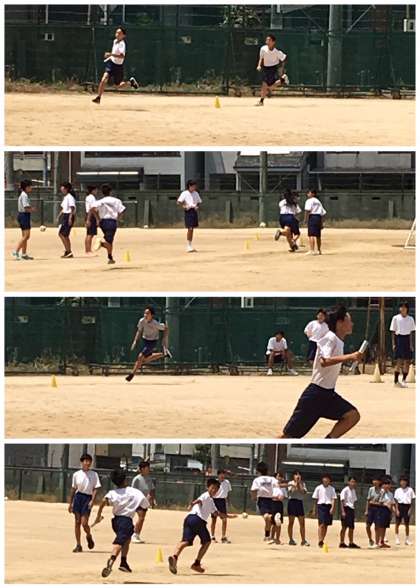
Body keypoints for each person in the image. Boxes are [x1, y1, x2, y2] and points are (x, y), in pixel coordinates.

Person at [281, 305, 363, 438]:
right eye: (349, 320)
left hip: (328, 395)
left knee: (352, 416)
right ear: (340, 323)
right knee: (288, 437)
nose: (352, 324)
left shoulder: (338, 341)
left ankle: (327, 442)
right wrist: (350, 356)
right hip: (315, 395)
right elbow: (324, 361)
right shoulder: (330, 337)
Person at [93, 468, 150, 577]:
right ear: (125, 480)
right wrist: (140, 510)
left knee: (126, 539)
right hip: (126, 521)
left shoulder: (112, 493)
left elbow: (104, 501)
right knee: (119, 542)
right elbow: (145, 505)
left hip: (116, 521)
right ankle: (111, 560)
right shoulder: (134, 492)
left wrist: (98, 515)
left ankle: (124, 562)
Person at [168, 478, 225, 575]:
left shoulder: (211, 501)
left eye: (216, 489)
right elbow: (199, 500)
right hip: (198, 520)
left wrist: (228, 516)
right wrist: (192, 504)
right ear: (208, 487)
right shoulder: (206, 496)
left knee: (185, 541)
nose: (214, 490)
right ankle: (196, 564)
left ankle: (174, 557)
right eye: (212, 488)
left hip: (189, 519)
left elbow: (216, 513)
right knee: (207, 542)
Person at [92, 27, 139, 104]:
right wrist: (110, 56)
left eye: (119, 33)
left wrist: (111, 54)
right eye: (116, 33)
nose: (117, 34)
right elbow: (114, 53)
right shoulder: (115, 41)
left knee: (117, 86)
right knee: (103, 79)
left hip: (118, 67)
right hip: (111, 64)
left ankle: (131, 83)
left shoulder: (122, 44)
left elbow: (122, 56)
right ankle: (98, 98)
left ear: (123, 35)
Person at [125, 306, 172, 382]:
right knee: (144, 360)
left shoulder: (155, 323)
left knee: (140, 357)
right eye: (145, 313)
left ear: (152, 315)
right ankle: (163, 354)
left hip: (152, 342)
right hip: (145, 340)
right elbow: (139, 331)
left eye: (147, 313)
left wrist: (164, 339)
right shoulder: (141, 321)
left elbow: (166, 328)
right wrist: (135, 341)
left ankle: (132, 374)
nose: (145, 315)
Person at [68, 453, 101, 553]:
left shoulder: (94, 474)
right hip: (78, 497)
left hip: (87, 498)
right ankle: (78, 544)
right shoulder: (76, 474)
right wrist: (70, 503)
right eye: (85, 461)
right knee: (77, 522)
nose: (87, 463)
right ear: (81, 462)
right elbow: (73, 488)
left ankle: (88, 535)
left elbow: (96, 488)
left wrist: (92, 501)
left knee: (84, 523)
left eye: (89, 461)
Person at [91, 184, 126, 264]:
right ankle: (101, 243)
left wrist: (97, 218)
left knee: (110, 240)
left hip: (103, 221)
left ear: (102, 192)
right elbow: (122, 210)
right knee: (108, 241)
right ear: (110, 192)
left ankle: (110, 257)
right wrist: (119, 219)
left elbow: (92, 209)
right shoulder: (116, 201)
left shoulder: (100, 201)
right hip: (111, 221)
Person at [256, 34, 288, 106]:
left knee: (266, 85)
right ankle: (282, 80)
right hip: (265, 68)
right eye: (267, 40)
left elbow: (284, 59)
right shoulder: (263, 49)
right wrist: (259, 65)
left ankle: (261, 101)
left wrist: (282, 68)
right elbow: (261, 58)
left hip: (273, 68)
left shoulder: (277, 52)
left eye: (269, 40)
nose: (267, 41)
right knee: (267, 86)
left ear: (273, 42)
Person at [389, 302, 416, 388]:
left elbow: (411, 333)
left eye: (404, 307)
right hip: (399, 339)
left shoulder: (411, 319)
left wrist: (411, 344)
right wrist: (394, 343)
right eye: (401, 307)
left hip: (407, 339)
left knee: (407, 361)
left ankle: (404, 380)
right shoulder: (395, 318)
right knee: (399, 361)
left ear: (407, 309)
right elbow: (393, 332)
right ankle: (396, 381)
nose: (403, 309)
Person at [131, 461, 156, 543]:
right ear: (142, 469)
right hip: (137, 501)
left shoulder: (149, 478)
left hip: (145, 501)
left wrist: (152, 499)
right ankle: (134, 534)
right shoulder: (137, 479)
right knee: (141, 517)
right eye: (147, 468)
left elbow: (152, 490)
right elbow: (133, 491)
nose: (148, 470)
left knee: (142, 518)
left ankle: (137, 534)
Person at [250, 462, 276, 541]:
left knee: (266, 517)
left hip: (264, 499)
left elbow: (253, 490)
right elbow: (278, 486)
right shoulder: (272, 479)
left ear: (258, 471)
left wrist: (253, 497)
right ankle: (267, 536)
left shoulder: (257, 480)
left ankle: (271, 518)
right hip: (270, 499)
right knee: (268, 520)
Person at [311, 474, 336, 548]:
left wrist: (332, 508)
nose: (326, 480)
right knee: (321, 524)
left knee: (326, 525)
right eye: (325, 478)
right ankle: (320, 540)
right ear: (322, 479)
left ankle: (322, 539)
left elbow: (333, 499)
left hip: (328, 506)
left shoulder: (332, 489)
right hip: (321, 506)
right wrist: (314, 509)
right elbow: (315, 499)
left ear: (329, 480)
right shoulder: (318, 488)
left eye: (327, 479)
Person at [177, 180, 202, 252]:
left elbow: (199, 201)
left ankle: (190, 245)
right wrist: (184, 206)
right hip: (188, 211)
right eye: (193, 186)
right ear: (189, 186)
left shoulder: (196, 193)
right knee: (190, 228)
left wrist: (197, 206)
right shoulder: (184, 193)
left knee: (192, 228)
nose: (194, 187)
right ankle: (188, 246)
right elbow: (179, 202)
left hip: (194, 211)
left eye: (195, 186)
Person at [13, 179, 35, 261]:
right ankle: (16, 251)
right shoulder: (24, 195)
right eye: (30, 186)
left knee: (25, 236)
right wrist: (32, 209)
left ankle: (24, 254)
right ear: (26, 187)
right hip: (24, 215)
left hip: (23, 215)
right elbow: (26, 207)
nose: (31, 188)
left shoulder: (23, 194)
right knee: (26, 236)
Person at [371, 476, 395, 549]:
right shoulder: (380, 492)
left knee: (384, 527)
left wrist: (392, 512)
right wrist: (383, 504)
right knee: (378, 526)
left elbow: (392, 503)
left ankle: (382, 541)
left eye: (388, 484)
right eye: (385, 484)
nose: (387, 486)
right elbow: (373, 501)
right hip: (380, 510)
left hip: (387, 511)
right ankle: (376, 542)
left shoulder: (391, 494)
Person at [287, 470, 310, 546]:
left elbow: (303, 492)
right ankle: (291, 539)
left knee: (302, 523)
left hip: (299, 502)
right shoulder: (290, 483)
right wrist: (295, 484)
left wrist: (299, 484)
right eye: (296, 474)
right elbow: (291, 492)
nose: (298, 476)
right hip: (292, 502)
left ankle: (303, 540)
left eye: (299, 474)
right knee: (291, 522)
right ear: (293, 476)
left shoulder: (303, 483)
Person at [210, 469, 232, 544]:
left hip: (222, 501)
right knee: (214, 519)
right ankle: (212, 536)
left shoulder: (227, 482)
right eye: (221, 474)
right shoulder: (214, 482)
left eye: (224, 474)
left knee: (224, 520)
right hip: (215, 501)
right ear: (218, 475)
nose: (223, 476)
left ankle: (223, 537)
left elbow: (228, 493)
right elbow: (210, 492)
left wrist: (228, 502)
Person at [339, 477, 360, 548]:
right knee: (344, 527)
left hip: (351, 509)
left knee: (351, 527)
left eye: (354, 482)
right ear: (348, 482)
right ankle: (342, 542)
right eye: (351, 481)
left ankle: (351, 542)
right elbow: (342, 501)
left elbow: (354, 502)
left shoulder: (353, 490)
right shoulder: (345, 490)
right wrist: (343, 511)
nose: (353, 483)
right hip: (346, 508)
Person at [304, 188, 326, 255]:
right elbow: (323, 213)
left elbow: (307, 210)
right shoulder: (318, 201)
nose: (307, 194)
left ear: (313, 194)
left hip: (312, 217)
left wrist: (305, 219)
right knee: (318, 235)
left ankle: (312, 250)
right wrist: (322, 223)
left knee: (311, 234)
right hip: (318, 217)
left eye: (309, 192)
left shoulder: (309, 200)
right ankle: (319, 250)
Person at [394, 475, 415, 545]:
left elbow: (412, 501)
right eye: (402, 481)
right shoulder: (397, 490)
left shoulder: (410, 490)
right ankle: (397, 538)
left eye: (404, 481)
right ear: (400, 482)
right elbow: (396, 501)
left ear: (407, 482)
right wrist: (397, 509)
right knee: (397, 523)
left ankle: (407, 539)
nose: (403, 482)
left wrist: (410, 509)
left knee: (407, 524)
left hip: (407, 506)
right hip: (400, 506)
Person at [58, 182, 76, 259]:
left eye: (62, 187)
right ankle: (68, 251)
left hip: (68, 215)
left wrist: (70, 218)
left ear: (66, 189)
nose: (61, 189)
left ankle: (68, 251)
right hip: (65, 215)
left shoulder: (70, 197)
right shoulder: (65, 197)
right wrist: (59, 215)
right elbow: (64, 208)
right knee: (63, 234)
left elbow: (72, 208)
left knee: (63, 234)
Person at [269, 471, 288, 545]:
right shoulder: (272, 486)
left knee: (279, 522)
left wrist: (282, 497)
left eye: (281, 476)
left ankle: (277, 539)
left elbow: (285, 496)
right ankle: (271, 538)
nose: (280, 478)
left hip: (279, 504)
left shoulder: (282, 488)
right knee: (273, 522)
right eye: (278, 476)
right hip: (273, 503)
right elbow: (269, 496)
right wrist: (276, 497)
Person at [365, 476, 383, 548]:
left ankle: (377, 542)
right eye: (373, 480)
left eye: (376, 480)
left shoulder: (382, 491)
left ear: (379, 482)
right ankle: (370, 539)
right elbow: (368, 500)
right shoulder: (371, 489)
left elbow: (381, 503)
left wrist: (372, 502)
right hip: (370, 509)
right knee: (367, 526)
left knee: (377, 526)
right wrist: (366, 510)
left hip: (378, 509)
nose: (374, 482)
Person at [85, 185, 98, 255]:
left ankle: (88, 250)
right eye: (95, 190)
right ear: (92, 191)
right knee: (90, 234)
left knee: (89, 234)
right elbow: (92, 209)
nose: (96, 191)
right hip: (91, 215)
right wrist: (89, 219)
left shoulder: (88, 197)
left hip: (89, 215)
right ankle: (88, 250)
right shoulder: (91, 197)